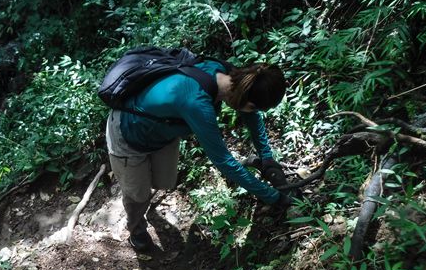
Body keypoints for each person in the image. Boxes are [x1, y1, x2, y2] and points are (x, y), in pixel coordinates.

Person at [105, 58, 291, 252]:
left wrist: (267, 158)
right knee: (138, 193)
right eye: (255, 108)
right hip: (127, 134)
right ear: (250, 102)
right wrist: (273, 197)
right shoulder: (197, 102)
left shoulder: (231, 77)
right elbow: (224, 161)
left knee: (164, 182)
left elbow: (252, 117)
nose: (254, 112)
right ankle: (136, 231)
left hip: (162, 132)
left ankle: (144, 195)